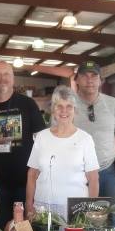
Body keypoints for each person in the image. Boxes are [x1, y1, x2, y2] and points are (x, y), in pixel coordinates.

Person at [0, 62, 45, 229]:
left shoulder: (28, 104)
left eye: (7, 74)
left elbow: (41, 140)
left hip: (25, 181)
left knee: (24, 229)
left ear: (13, 79)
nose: (2, 78)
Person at [26, 86, 99, 222]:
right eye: (59, 106)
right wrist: (29, 205)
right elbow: (32, 174)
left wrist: (90, 211)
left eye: (69, 106)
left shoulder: (85, 139)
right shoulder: (41, 137)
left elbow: (93, 179)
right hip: (42, 209)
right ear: (53, 110)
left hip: (75, 211)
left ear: (75, 110)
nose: (64, 111)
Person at [72, 61, 115, 199]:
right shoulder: (67, 104)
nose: (89, 80)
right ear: (77, 80)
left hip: (107, 172)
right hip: (77, 173)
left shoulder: (113, 104)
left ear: (100, 81)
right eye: (84, 76)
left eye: (94, 76)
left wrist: (104, 156)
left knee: (108, 215)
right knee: (79, 217)